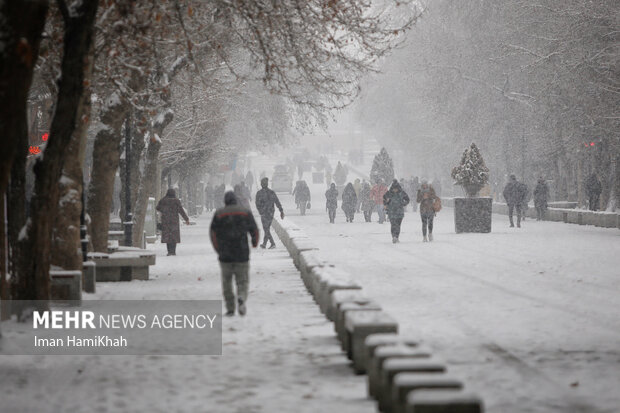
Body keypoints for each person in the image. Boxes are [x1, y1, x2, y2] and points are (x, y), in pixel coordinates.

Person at [210, 192, 259, 317]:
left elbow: (213, 233)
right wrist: (254, 242)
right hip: (242, 253)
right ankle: (241, 296)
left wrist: (218, 249)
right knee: (242, 280)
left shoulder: (219, 214)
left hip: (225, 255)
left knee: (227, 282)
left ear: (225, 201)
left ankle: (230, 307)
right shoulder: (245, 212)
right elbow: (254, 230)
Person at [156, 188, 190, 256]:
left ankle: (169, 251)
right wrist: (186, 219)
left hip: (166, 221)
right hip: (174, 221)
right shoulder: (176, 201)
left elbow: (157, 208)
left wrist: (164, 210)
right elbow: (181, 210)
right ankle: (173, 251)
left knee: (167, 237)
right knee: (174, 236)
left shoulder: (163, 200)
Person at [255, 177, 284, 249]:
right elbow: (277, 202)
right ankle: (264, 244)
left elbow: (257, 204)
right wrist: (281, 211)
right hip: (270, 213)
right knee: (266, 228)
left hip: (265, 213)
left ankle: (272, 243)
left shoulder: (259, 193)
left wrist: (260, 211)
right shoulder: (271, 192)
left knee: (266, 228)